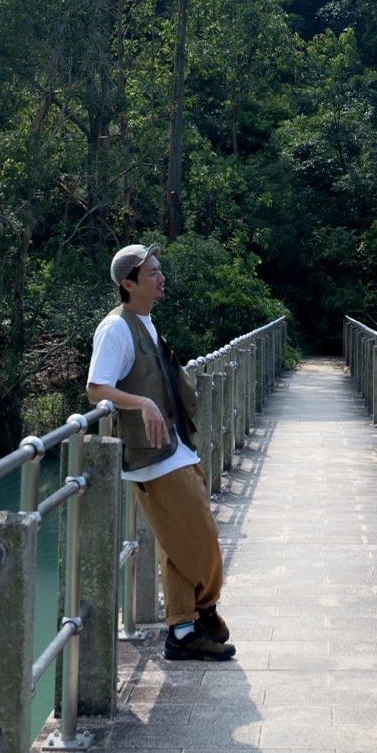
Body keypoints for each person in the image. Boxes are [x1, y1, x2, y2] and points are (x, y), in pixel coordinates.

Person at [86, 244, 235, 661]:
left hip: (175, 447)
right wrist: (141, 402)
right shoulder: (116, 328)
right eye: (152, 272)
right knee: (201, 538)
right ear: (128, 284)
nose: (161, 276)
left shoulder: (146, 322)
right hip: (152, 456)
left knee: (178, 542)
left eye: (159, 269)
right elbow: (96, 387)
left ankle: (184, 631)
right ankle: (204, 611)